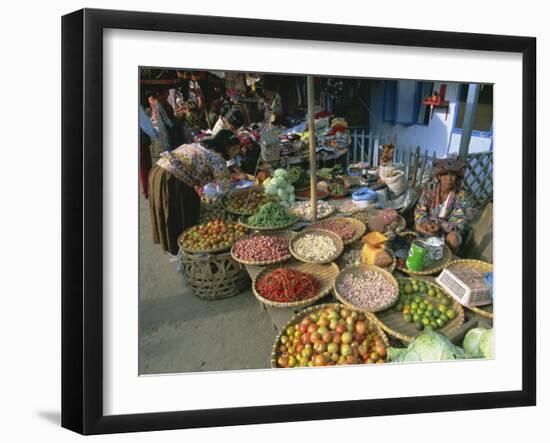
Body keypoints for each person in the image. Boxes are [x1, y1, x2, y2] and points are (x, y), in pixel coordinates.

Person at [148, 129, 241, 255]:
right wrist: (252, 190)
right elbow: (227, 191)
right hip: (171, 179)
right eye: (235, 149)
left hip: (158, 171)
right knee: (182, 211)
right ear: (227, 146)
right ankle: (182, 249)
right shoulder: (217, 160)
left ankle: (173, 245)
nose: (235, 154)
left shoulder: (202, 145)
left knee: (168, 208)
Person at [414, 157, 469, 254]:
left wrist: (441, 226)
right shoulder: (430, 188)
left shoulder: (460, 194)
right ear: (439, 176)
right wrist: (426, 223)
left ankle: (451, 261)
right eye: (445, 174)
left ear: (456, 177)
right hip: (429, 224)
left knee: (453, 239)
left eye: (452, 174)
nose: (448, 178)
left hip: (447, 229)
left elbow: (458, 221)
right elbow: (419, 210)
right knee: (418, 226)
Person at [153, 87, 188, 151]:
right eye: (167, 92)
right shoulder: (160, 106)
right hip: (170, 138)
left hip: (174, 136)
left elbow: (171, 118)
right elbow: (170, 123)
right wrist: (181, 117)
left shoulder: (164, 103)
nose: (168, 94)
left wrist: (178, 116)